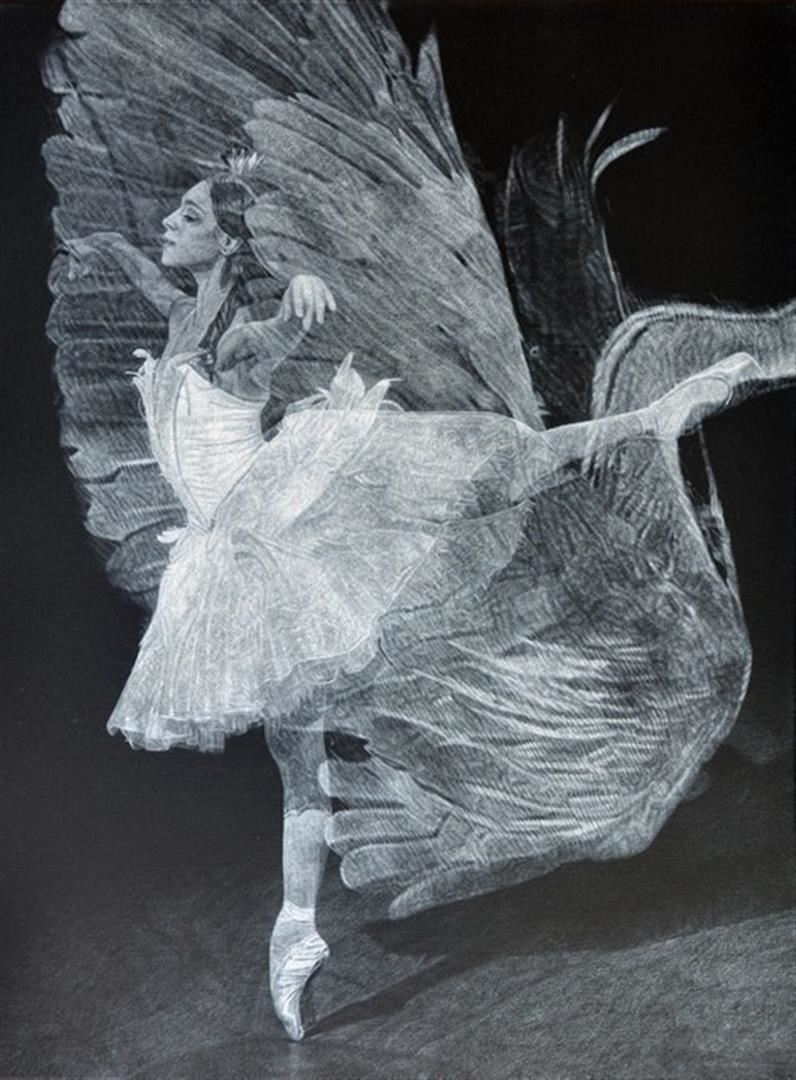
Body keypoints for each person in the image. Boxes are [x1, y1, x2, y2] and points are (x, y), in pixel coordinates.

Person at [66, 160, 764, 1041]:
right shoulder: (178, 314)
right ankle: (296, 931)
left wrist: (299, 285)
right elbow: (145, 270)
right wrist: (105, 244)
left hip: (289, 513)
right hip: (232, 551)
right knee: (294, 747)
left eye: (189, 214)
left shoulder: (240, 342)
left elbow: (283, 323)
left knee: (480, 468)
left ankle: (647, 420)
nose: (169, 221)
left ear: (227, 243)